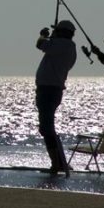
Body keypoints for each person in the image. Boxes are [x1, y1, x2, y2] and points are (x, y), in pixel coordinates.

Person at [35, 20, 77, 175]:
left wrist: (43, 35)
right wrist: (52, 37)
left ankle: (57, 164)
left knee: (46, 128)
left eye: (57, 31)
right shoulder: (70, 47)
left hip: (48, 91)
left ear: (62, 32)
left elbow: (40, 44)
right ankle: (60, 162)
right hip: (53, 90)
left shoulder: (60, 45)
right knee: (48, 127)